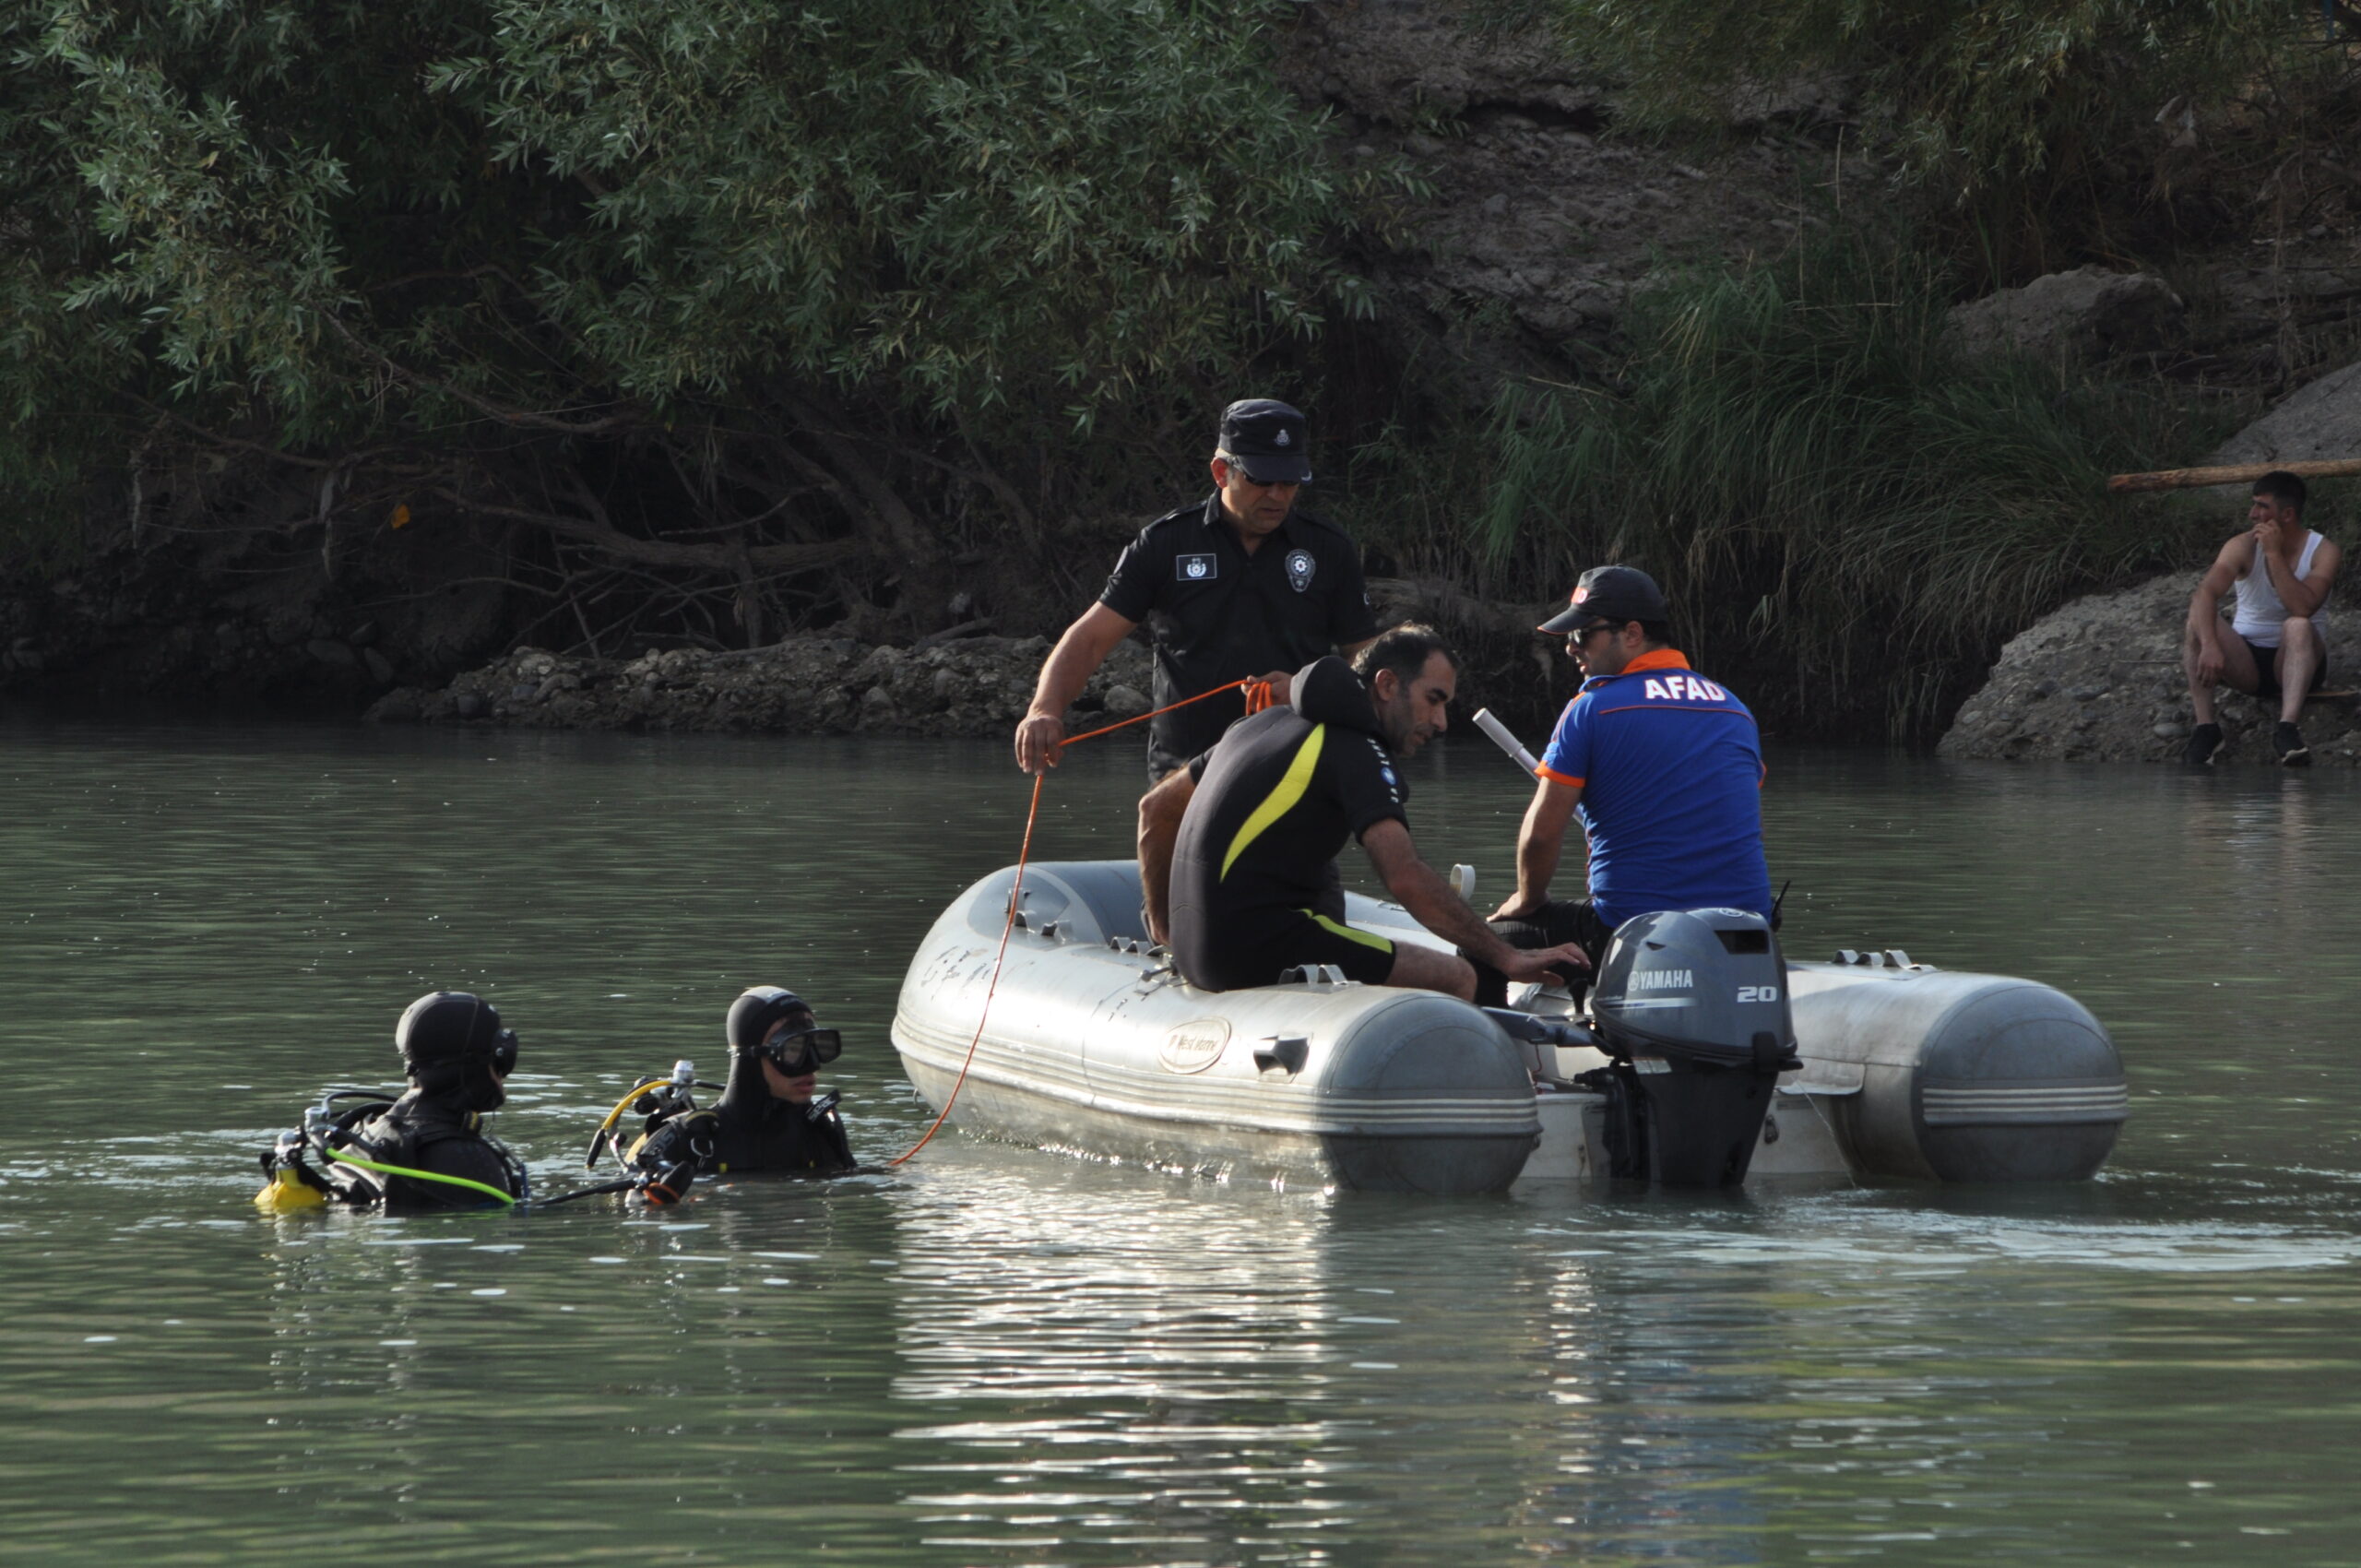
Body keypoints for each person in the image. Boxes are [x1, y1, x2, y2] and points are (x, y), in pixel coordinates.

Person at [1137, 624, 1588, 1001]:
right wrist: (1506, 956)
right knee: (1465, 976)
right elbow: (1405, 875)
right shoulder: (1354, 746)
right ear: (1387, 684)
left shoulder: (1259, 723)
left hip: (1198, 948)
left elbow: (1155, 808)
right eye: (1434, 699)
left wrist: (1162, 925)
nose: (1441, 723)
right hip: (1253, 946)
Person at [1014, 398, 1382, 781]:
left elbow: (1366, 662)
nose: (1277, 495)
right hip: (1183, 777)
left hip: (1294, 770)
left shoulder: (1329, 549)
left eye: (1289, 482)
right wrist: (1044, 709)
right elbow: (1091, 638)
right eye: (1261, 479)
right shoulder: (1165, 544)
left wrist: (1309, 690)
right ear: (1222, 472)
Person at [1487, 566, 1773, 987]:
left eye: (1583, 634)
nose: (1571, 648)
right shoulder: (1733, 708)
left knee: (1483, 945)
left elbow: (1542, 834)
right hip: (1749, 936)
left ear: (1632, 634)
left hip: (1638, 937)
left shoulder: (1595, 708)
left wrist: (1527, 900)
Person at [260, 991, 528, 1211]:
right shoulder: (467, 1161)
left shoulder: (366, 1128)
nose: (503, 1073)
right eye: (501, 1060)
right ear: (472, 1067)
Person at [2181, 470, 2340, 767]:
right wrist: (2212, 645)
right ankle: (2206, 728)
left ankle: (2287, 728)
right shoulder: (2240, 545)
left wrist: (2274, 555)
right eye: (2253, 505)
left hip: (2299, 660)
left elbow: (2302, 607)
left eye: (2262, 507)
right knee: (2197, 622)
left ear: (2288, 514)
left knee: (2298, 625)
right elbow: (2205, 593)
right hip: (2248, 661)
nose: (2253, 514)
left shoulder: (2324, 551)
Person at [623, 987, 856, 1186]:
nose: (812, 1066)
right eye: (793, 1049)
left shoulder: (821, 1130)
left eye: (816, 1047)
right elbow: (630, 1203)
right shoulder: (688, 1140)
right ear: (750, 1059)